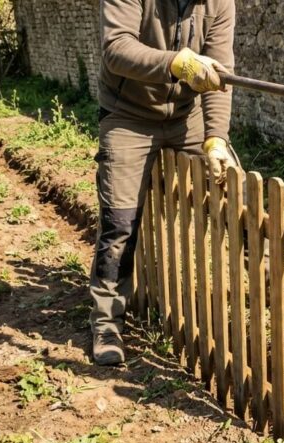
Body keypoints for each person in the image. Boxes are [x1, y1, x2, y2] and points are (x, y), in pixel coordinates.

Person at [91, 0, 240, 365]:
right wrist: (176, 63)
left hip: (184, 118)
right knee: (119, 222)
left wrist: (216, 138)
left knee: (234, 189)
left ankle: (269, 279)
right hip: (128, 114)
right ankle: (107, 322)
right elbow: (117, 49)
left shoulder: (219, 3)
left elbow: (221, 74)